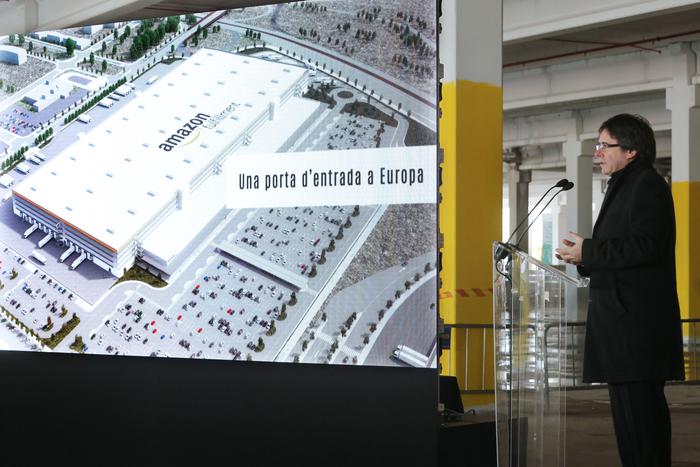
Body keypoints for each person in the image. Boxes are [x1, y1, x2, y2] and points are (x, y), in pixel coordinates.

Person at [555, 113, 684, 467]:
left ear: (630, 150)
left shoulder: (647, 186)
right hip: (621, 329)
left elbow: (646, 246)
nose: (597, 153)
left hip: (637, 331)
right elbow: (621, 249)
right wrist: (583, 256)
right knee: (630, 429)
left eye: (604, 145)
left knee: (643, 428)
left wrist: (590, 251)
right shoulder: (624, 186)